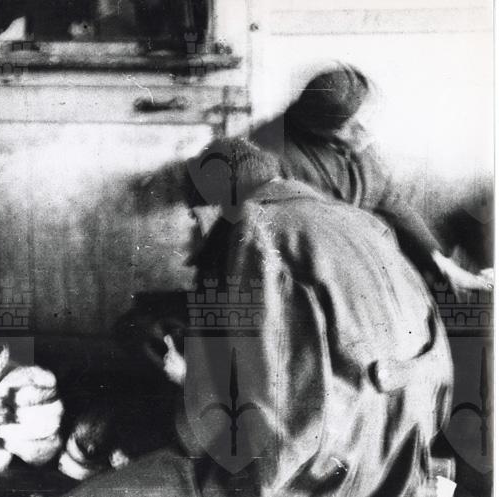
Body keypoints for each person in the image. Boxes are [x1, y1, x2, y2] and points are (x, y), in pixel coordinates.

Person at [65, 139, 454, 497]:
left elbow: (273, 400)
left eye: (193, 219)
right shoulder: (358, 220)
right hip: (407, 445)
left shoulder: (256, 230)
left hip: (338, 462)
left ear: (213, 207)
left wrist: (189, 378)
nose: (194, 234)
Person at [250, 63, 492, 294]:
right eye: (354, 126)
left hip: (356, 260)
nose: (367, 131)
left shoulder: (354, 144)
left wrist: (441, 263)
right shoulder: (269, 152)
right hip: (308, 275)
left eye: (367, 117)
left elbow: (391, 202)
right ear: (321, 129)